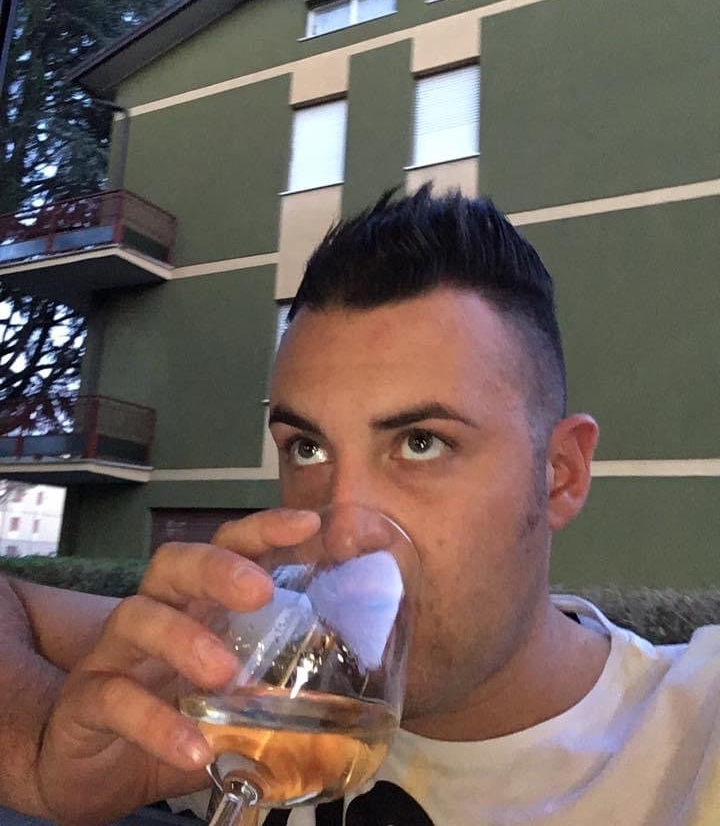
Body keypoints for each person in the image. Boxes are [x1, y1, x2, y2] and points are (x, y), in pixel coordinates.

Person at [2, 185, 720, 826]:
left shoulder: (693, 738)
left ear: (560, 474)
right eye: (307, 448)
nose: (341, 535)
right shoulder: (262, 671)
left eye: (421, 443)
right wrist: (41, 760)